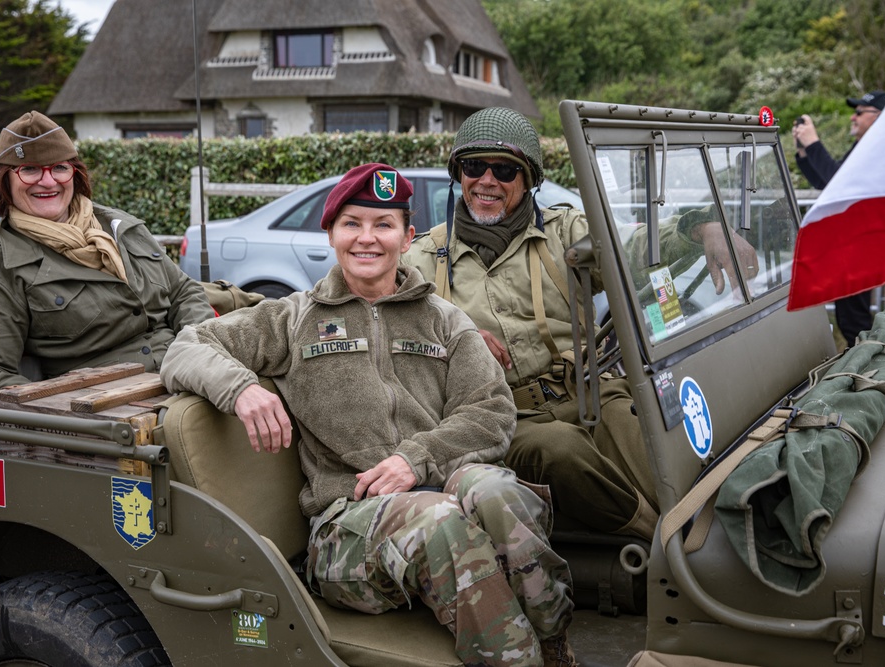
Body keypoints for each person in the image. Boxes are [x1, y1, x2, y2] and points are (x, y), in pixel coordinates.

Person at [160, 163, 578, 667]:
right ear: (331, 233)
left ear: (407, 237)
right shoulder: (295, 318)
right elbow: (187, 346)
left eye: (383, 225)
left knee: (500, 493)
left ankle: (555, 644)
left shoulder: (443, 319)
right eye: (352, 223)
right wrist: (243, 388)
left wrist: (416, 459)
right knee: (440, 521)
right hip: (344, 531)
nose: (367, 238)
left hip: (435, 490)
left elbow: (490, 409)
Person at [402, 107, 758, 540]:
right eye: (474, 166)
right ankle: (661, 540)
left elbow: (632, 243)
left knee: (656, 440)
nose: (487, 181)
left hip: (589, 390)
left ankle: (717, 527)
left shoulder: (563, 232)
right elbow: (382, 323)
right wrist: (459, 333)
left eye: (505, 169)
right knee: (560, 451)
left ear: (529, 178)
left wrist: (699, 227)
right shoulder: (421, 259)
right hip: (505, 414)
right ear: (459, 174)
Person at [0, 111, 214, 402]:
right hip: (116, 409)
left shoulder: (119, 227)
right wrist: (73, 410)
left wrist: (202, 352)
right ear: (4, 181)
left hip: (188, 376)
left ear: (74, 173)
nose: (48, 181)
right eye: (29, 169)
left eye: (59, 167)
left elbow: (183, 291)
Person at [792, 90, 885, 347]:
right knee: (850, 318)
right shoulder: (864, 146)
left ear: (878, 117)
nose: (852, 118)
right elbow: (828, 183)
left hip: (865, 243)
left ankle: (870, 369)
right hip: (856, 242)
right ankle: (865, 363)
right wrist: (804, 153)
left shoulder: (880, 150)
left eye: (859, 112)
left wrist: (814, 143)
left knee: (854, 320)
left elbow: (839, 183)